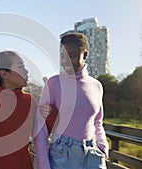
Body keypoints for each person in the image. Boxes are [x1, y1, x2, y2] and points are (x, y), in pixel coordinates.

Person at [34, 32, 109, 169]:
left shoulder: (96, 86)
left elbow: (98, 121)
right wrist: (44, 165)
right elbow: (40, 127)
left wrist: (102, 147)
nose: (65, 61)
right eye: (62, 56)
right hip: (62, 155)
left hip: (93, 154)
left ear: (85, 55)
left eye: (72, 55)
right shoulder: (54, 83)